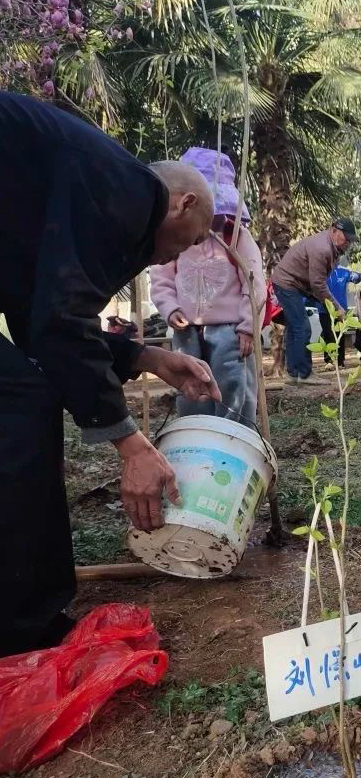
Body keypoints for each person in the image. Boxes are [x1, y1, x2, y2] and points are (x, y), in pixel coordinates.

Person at [0, 91, 222, 656]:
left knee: (25, 387)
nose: (175, 260)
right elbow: (57, 326)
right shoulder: (128, 194)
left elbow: (40, 324)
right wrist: (130, 445)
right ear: (183, 203)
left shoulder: (93, 180)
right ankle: (27, 629)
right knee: (23, 399)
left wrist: (145, 357)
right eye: (191, 241)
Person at [149, 148, 266, 426]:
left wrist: (249, 325)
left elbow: (254, 281)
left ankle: (234, 435)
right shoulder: (175, 233)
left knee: (233, 386)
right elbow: (161, 277)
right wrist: (170, 308)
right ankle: (196, 434)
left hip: (230, 330)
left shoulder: (234, 234)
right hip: (187, 330)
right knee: (190, 386)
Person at [271, 217, 357, 385]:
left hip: (297, 285)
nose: (348, 242)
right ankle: (304, 373)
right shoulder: (322, 248)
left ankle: (293, 373)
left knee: (295, 327)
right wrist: (337, 308)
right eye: (346, 237)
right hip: (288, 284)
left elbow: (317, 284)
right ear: (334, 231)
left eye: (350, 240)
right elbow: (318, 284)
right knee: (303, 327)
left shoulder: (332, 248)